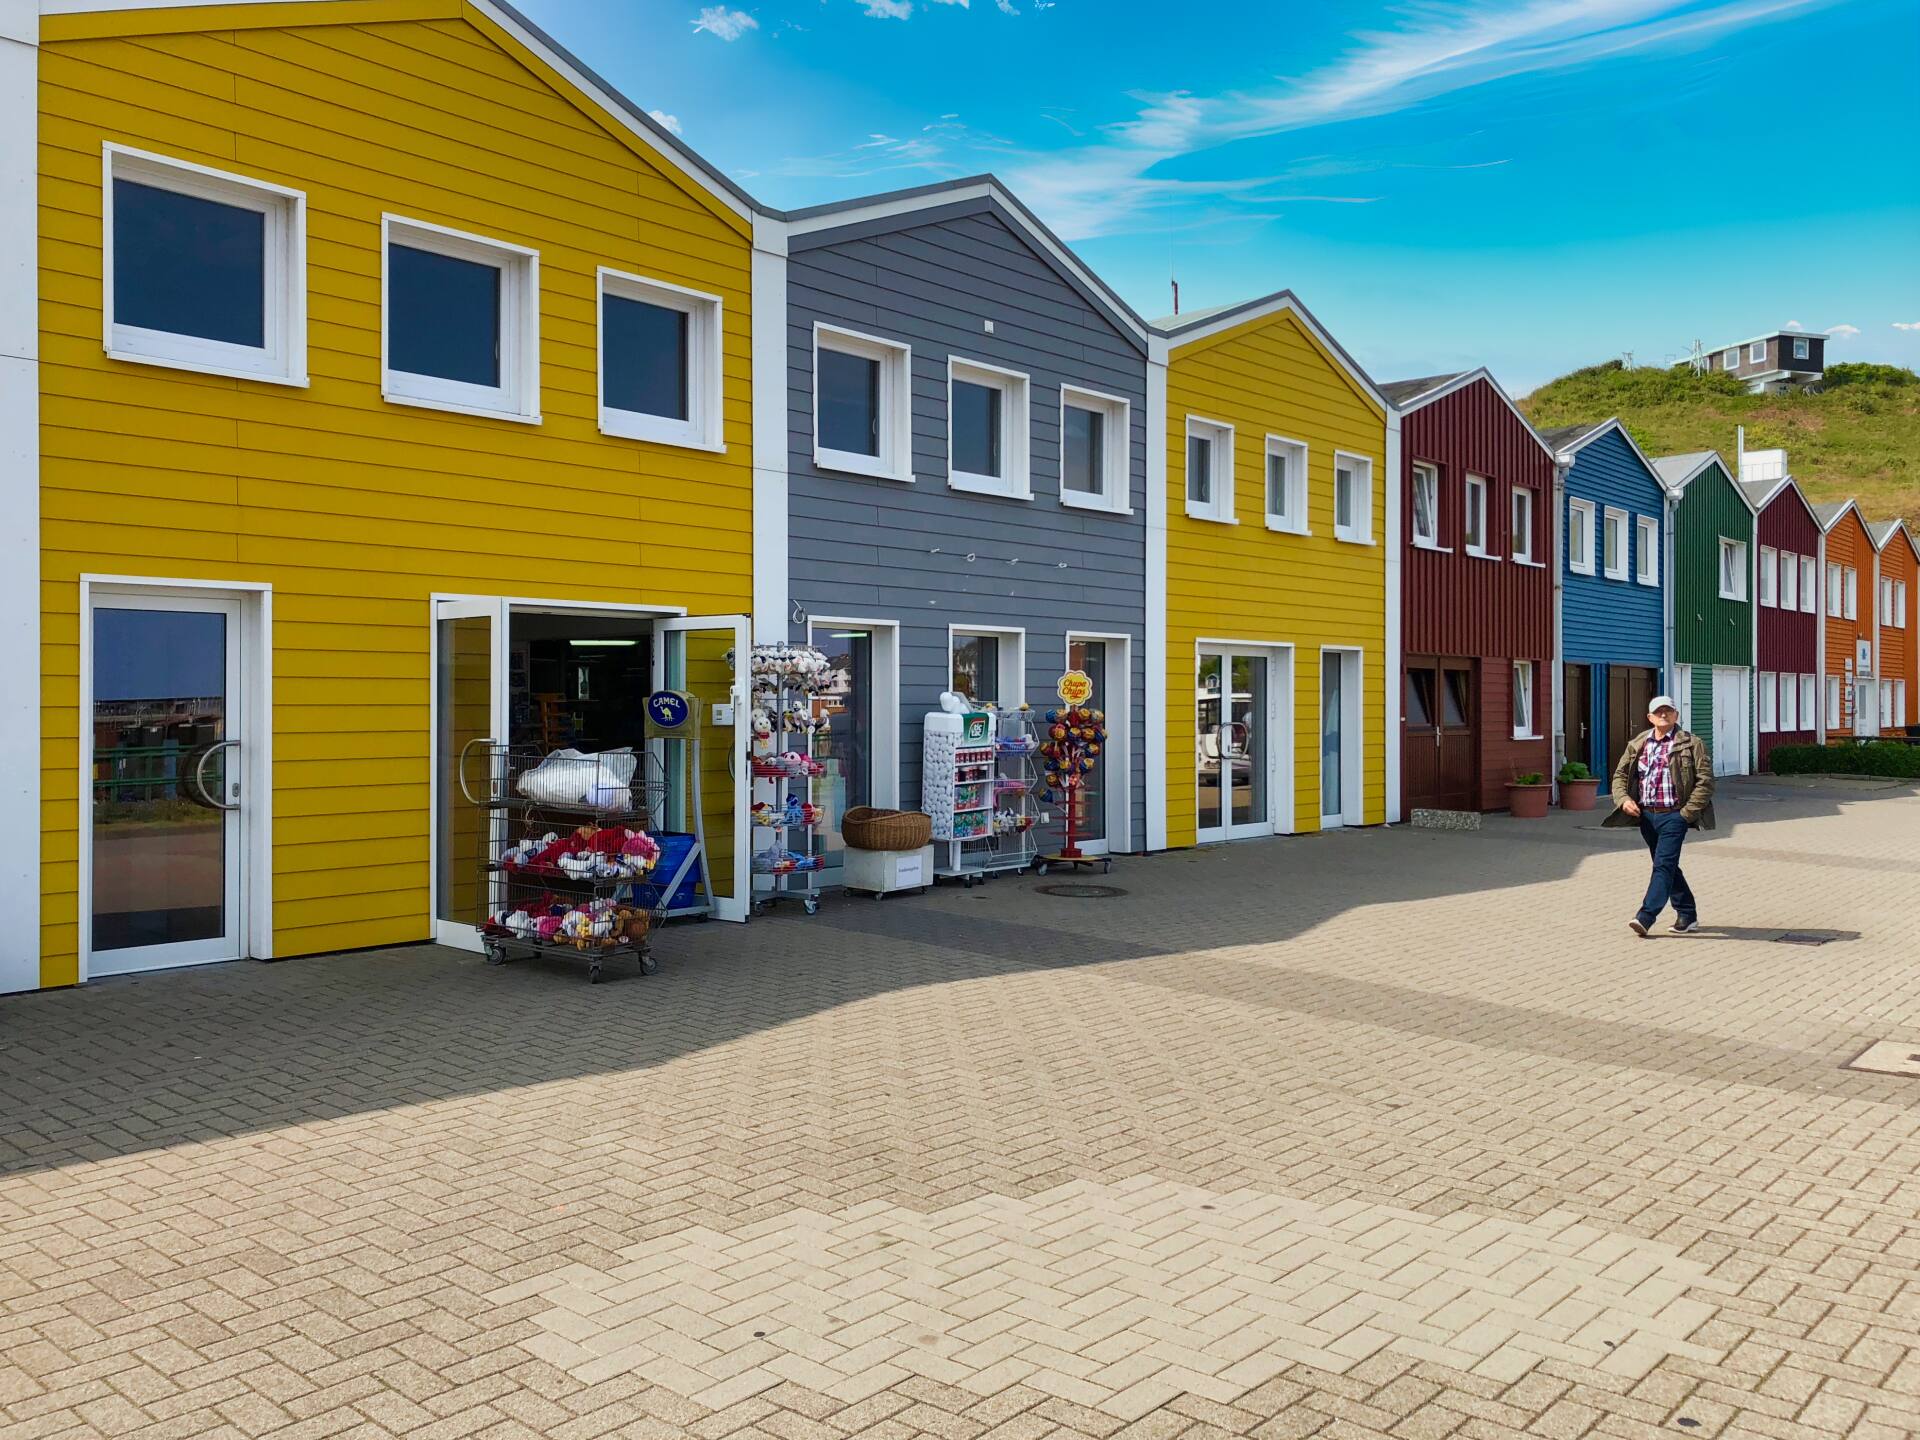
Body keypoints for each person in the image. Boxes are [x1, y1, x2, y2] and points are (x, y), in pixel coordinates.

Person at [1604, 695, 1716, 936]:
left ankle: (1645, 916)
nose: (1663, 715)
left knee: (1663, 865)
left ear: (1676, 715)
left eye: (1668, 711)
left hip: (1674, 816)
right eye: (1659, 712)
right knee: (1666, 865)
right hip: (1647, 816)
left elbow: (1705, 782)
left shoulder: (1691, 744)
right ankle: (1687, 914)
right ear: (1650, 717)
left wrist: (1686, 814)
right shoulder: (1638, 744)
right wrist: (1623, 800)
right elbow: (1620, 776)